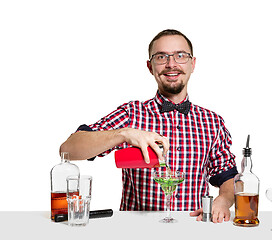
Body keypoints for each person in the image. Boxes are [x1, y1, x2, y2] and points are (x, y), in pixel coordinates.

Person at [60, 29, 238, 223]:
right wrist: (124, 134)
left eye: (180, 55)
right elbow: (68, 149)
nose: (171, 64)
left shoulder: (213, 122)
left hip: (192, 227)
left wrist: (224, 200)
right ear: (150, 66)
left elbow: (228, 177)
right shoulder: (131, 114)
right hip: (137, 229)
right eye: (161, 57)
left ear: (192, 64)